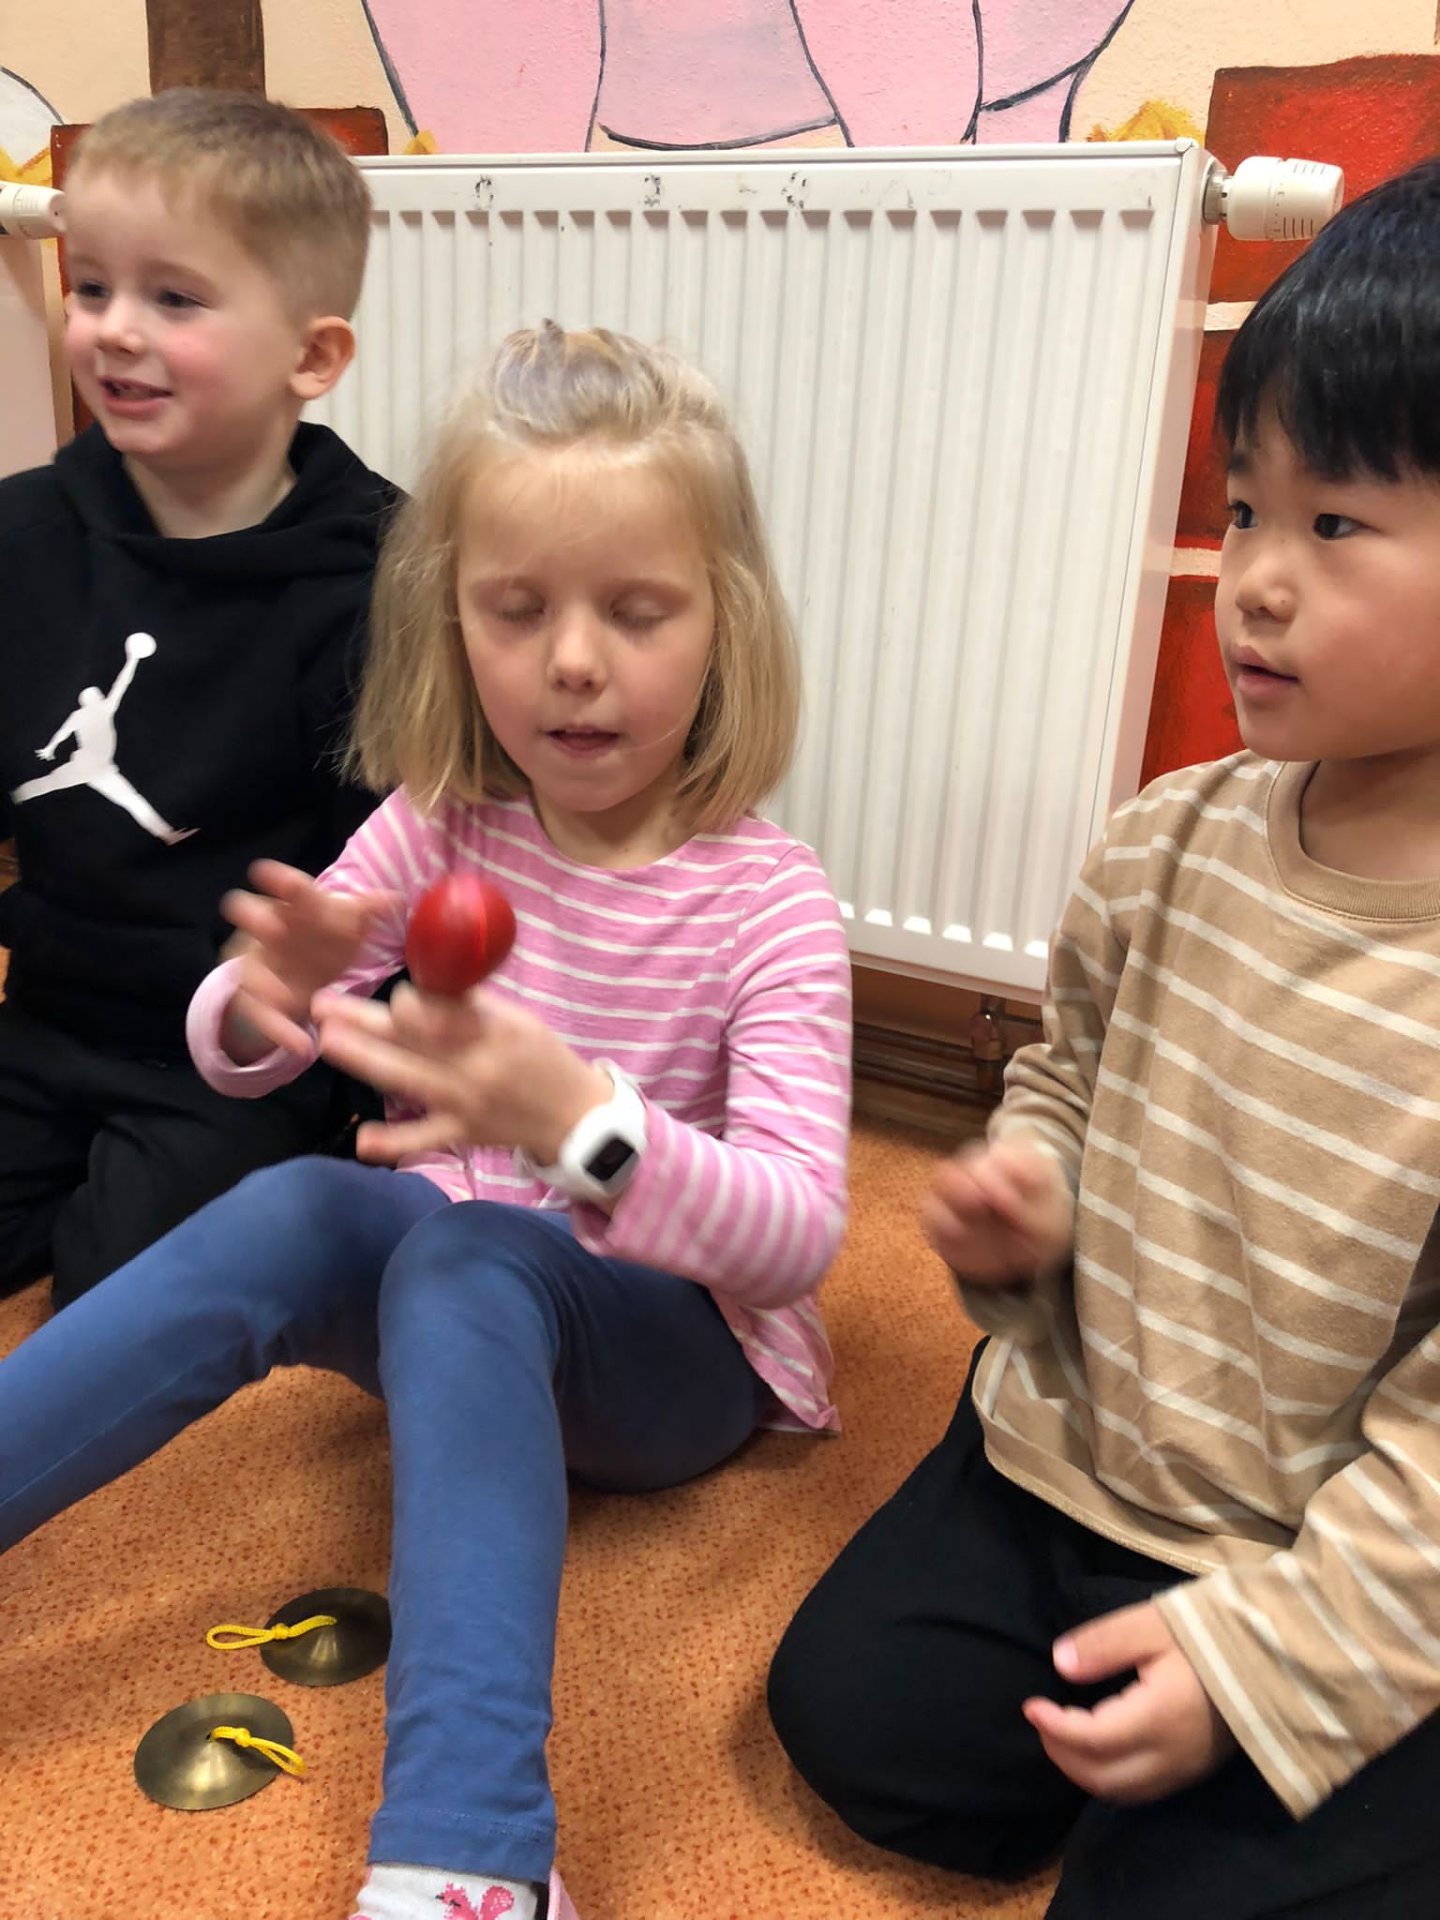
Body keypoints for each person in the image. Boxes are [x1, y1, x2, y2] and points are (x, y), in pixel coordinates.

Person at [0, 324, 853, 1920]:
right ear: (453, 621)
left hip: (674, 1356)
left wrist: (582, 1127)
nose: (572, 661)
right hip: (455, 1281)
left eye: (636, 611)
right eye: (517, 610)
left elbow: (800, 1234)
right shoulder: (444, 820)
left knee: (472, 1259)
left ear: (724, 623)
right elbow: (259, 1039)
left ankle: (473, 1860)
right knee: (295, 1206)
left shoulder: (772, 905)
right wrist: (266, 994)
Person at [766, 158, 1440, 1918]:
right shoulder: (1166, 837)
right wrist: (1031, 1192)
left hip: (1322, 1541)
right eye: (1246, 506)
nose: (1254, 579)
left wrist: (1262, 1664)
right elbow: (1062, 1077)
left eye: (1337, 525)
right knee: (855, 1723)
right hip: (1075, 1458)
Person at [0, 89, 396, 1309]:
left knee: (119, 1301)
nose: (116, 330)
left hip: (236, 1054)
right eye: (92, 287)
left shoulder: (383, 578)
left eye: (175, 299)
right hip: (45, 1013)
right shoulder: (21, 532)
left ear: (312, 357)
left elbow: (399, 872)